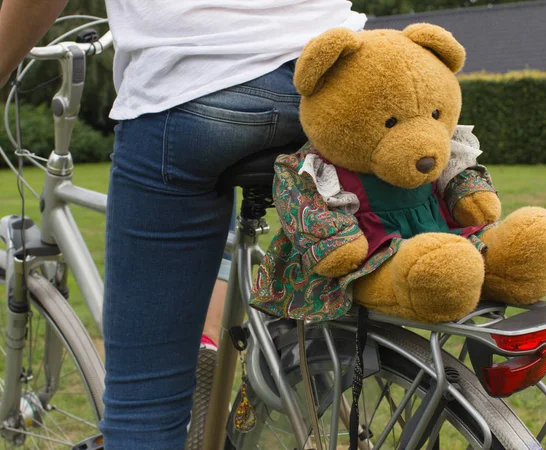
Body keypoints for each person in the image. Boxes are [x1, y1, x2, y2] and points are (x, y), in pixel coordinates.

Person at [0, 0, 367, 448]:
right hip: (340, 70)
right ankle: (214, 340)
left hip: (196, 79)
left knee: (144, 404)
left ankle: (199, 349)